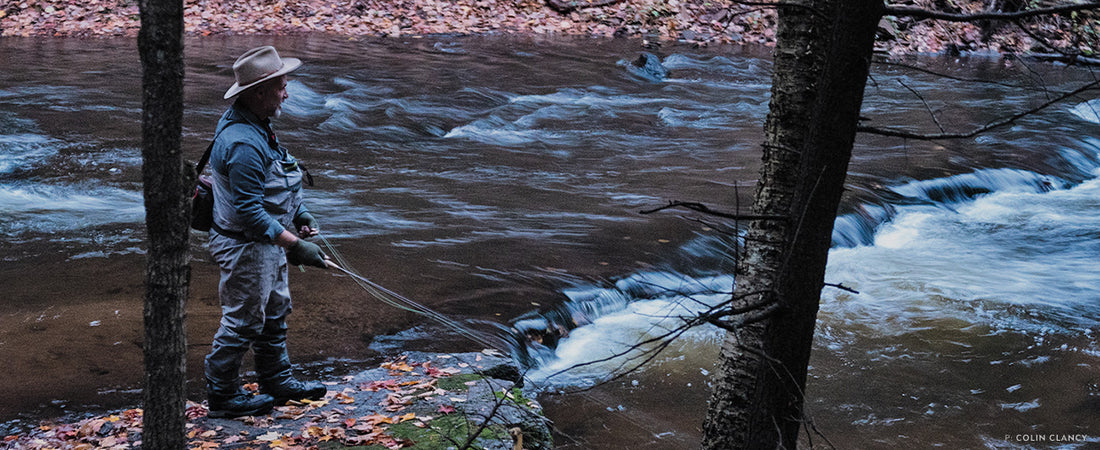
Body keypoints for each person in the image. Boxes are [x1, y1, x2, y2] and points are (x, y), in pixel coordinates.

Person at [203, 46, 329, 418]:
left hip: (266, 242)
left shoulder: (256, 123)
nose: (287, 93)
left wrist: (300, 212)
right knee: (243, 321)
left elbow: (272, 185)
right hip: (245, 247)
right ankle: (223, 395)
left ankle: (278, 381)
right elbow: (248, 212)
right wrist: (296, 246)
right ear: (258, 93)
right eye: (280, 86)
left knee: (274, 314)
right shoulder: (242, 143)